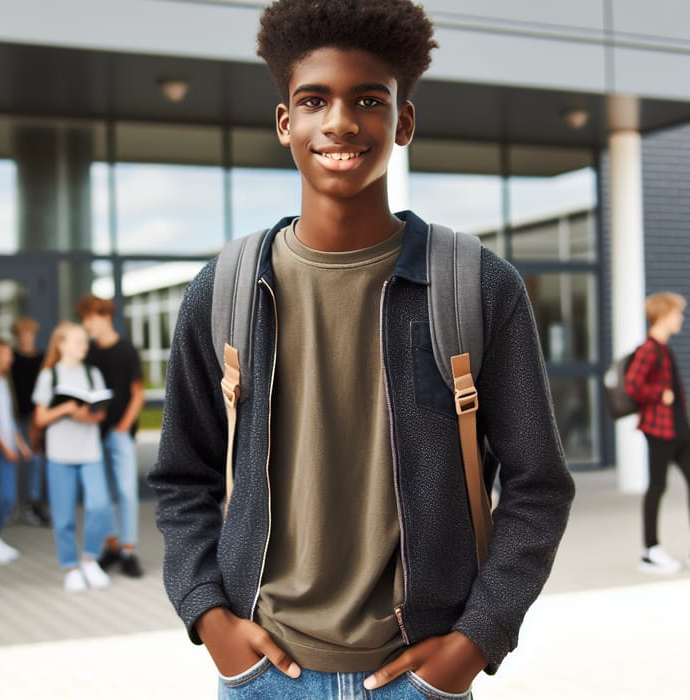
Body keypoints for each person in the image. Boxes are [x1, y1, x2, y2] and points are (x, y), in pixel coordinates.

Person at [148, 1, 575, 698]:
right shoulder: (223, 289)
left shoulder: (475, 286)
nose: (340, 122)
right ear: (285, 121)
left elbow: (538, 486)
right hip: (264, 675)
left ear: (402, 122)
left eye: (368, 100)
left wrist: (475, 641)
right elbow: (180, 477)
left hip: (420, 675)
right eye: (314, 100)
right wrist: (209, 617)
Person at [32, 321, 113, 592]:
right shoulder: (49, 376)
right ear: (61, 344)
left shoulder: (93, 374)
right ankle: (70, 567)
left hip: (90, 452)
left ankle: (90, 558)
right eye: (78, 341)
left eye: (85, 341)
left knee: (100, 505)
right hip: (59, 455)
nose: (84, 346)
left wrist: (89, 415)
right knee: (64, 515)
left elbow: (100, 413)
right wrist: (67, 408)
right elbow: (40, 418)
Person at [75, 294, 145, 578]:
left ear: (104, 315)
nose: (86, 325)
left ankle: (128, 550)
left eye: (89, 319)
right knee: (103, 495)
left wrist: (123, 426)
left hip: (120, 434)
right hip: (93, 433)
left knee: (127, 491)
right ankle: (112, 546)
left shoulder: (127, 350)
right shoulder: (88, 353)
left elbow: (138, 395)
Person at [625, 291, 690, 575]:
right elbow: (632, 385)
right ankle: (650, 551)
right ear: (664, 315)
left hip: (679, 432)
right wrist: (659, 394)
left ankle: (652, 551)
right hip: (660, 432)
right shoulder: (649, 349)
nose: (681, 318)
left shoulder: (665, 349)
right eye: (678, 313)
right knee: (657, 488)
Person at [0, 339, 31, 565]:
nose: (11, 359)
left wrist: (21, 445)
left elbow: (8, 420)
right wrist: (5, 447)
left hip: (7, 448)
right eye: (7, 354)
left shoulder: (4, 381)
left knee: (6, 495)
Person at [10, 316, 50, 526]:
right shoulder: (12, 359)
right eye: (22, 335)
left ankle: (33, 503)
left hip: (35, 417)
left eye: (29, 334)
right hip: (14, 417)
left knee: (36, 459)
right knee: (12, 459)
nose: (26, 338)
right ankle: (12, 503)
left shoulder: (41, 359)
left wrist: (39, 418)